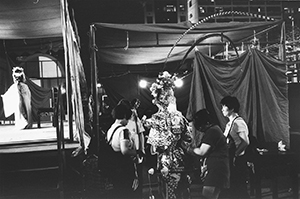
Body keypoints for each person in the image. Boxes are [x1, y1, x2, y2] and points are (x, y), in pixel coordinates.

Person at [143, 71, 192, 199]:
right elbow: (188, 137)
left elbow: (154, 148)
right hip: (179, 158)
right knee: (182, 189)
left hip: (164, 159)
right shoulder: (179, 117)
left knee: (167, 192)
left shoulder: (156, 119)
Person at [191, 109, 230, 199]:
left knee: (207, 194)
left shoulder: (212, 131)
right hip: (219, 167)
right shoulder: (214, 129)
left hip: (217, 169)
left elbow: (202, 151)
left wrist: (189, 149)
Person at [106, 102, 138, 199]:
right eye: (127, 118)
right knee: (127, 193)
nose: (128, 121)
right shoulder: (123, 131)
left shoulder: (111, 129)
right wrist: (137, 152)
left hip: (114, 167)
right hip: (124, 168)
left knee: (118, 193)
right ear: (124, 116)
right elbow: (125, 151)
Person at [220, 96, 250, 198]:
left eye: (224, 106)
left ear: (231, 108)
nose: (222, 109)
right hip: (231, 157)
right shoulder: (230, 123)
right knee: (233, 186)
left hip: (238, 160)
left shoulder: (238, 122)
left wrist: (236, 155)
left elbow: (245, 142)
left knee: (239, 187)